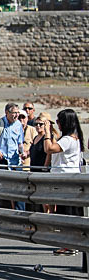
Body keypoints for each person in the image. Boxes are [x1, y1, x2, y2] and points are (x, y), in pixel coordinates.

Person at [44, 109, 85, 255]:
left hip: (66, 182)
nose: (57, 124)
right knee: (65, 213)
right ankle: (70, 243)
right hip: (66, 181)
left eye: (58, 121)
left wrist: (47, 133)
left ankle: (70, 245)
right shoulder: (72, 139)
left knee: (66, 214)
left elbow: (49, 149)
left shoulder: (68, 140)